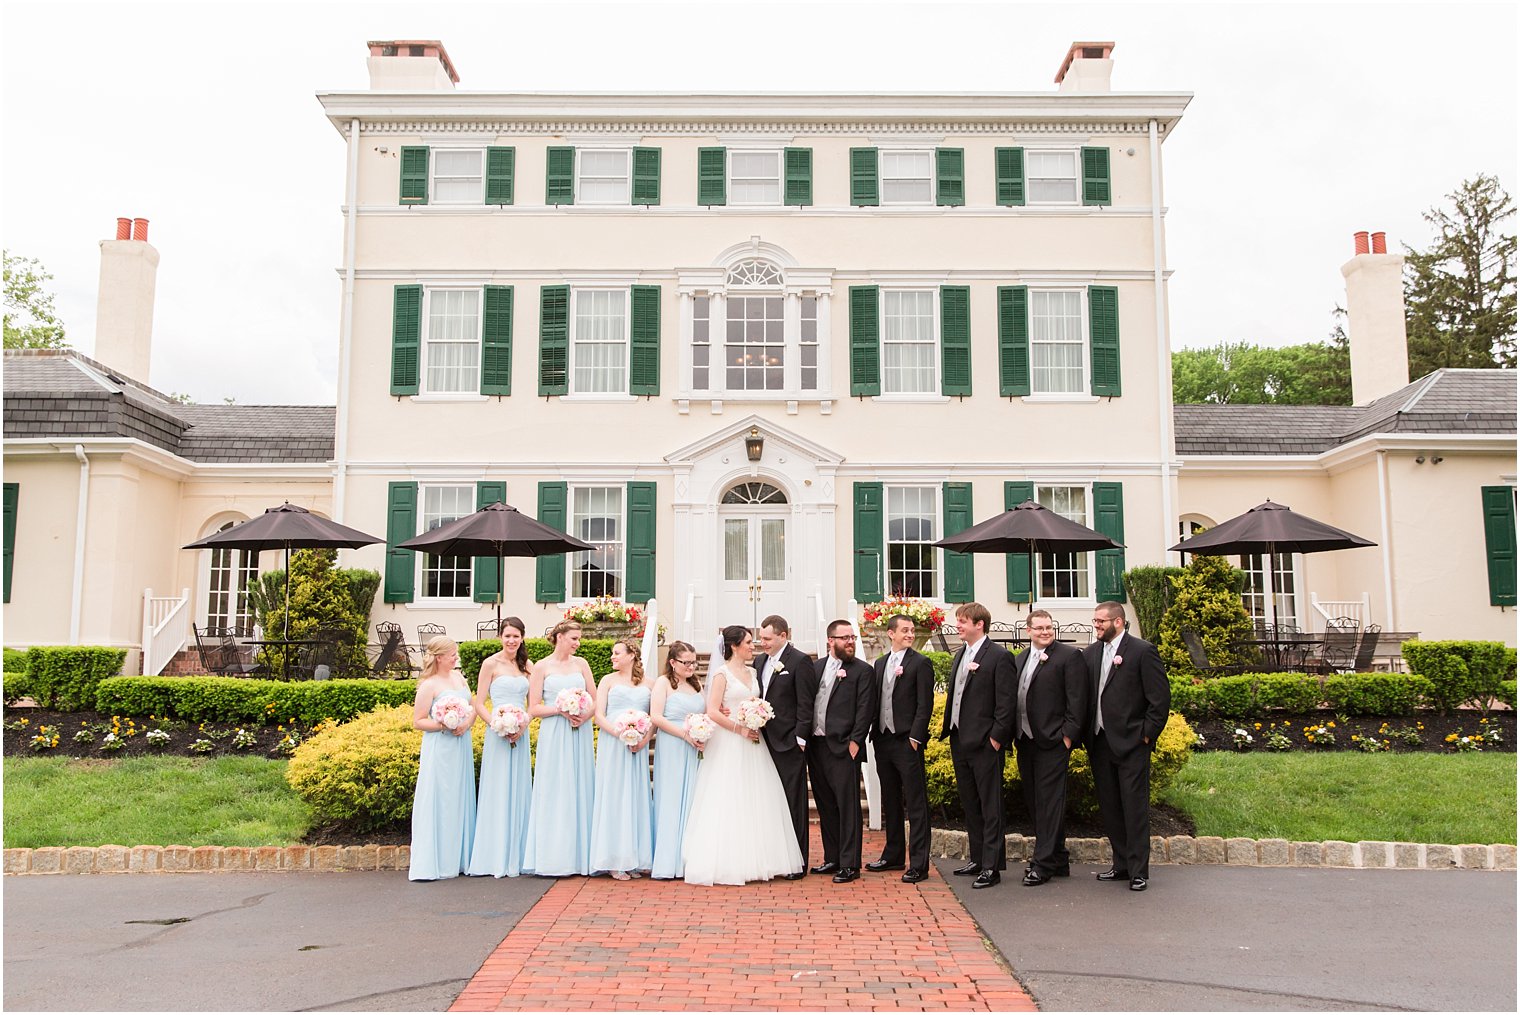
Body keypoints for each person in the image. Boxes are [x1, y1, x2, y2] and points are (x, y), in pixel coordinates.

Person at [681, 625, 804, 885]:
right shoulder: (721, 675)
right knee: (730, 797)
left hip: (754, 743)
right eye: (748, 642)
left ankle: (761, 858)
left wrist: (757, 718)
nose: (754, 646)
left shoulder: (754, 670)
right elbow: (713, 711)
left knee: (757, 798)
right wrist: (740, 728)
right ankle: (729, 861)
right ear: (734, 646)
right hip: (730, 741)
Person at [1083, 601, 1170, 892]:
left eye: (1101, 621)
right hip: (1099, 741)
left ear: (1118, 622)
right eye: (1095, 621)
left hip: (1132, 743)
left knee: (1134, 808)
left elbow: (1159, 700)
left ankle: (1138, 870)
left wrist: (1145, 736)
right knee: (1110, 807)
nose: (1096, 626)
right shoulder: (1091, 653)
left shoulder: (1142, 651)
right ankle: (1120, 864)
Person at [938, 602, 1015, 889]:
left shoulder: (998, 656)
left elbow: (1006, 703)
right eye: (958, 621)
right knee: (971, 803)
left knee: (990, 805)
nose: (958, 625)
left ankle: (992, 867)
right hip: (959, 739)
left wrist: (996, 737)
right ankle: (978, 857)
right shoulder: (960, 655)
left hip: (985, 743)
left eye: (963, 621)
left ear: (979, 624)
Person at [1011, 609, 1088, 887]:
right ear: (1028, 630)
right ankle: (1059, 858)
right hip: (1025, 741)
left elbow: (1077, 701)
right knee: (1035, 801)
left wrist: (1067, 736)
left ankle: (1042, 864)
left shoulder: (1069, 657)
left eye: (1049, 627)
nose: (1045, 632)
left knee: (1050, 803)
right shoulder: (1020, 659)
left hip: (1053, 742)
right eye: (1040, 627)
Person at [798, 619, 875, 884]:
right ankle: (832, 858)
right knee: (826, 805)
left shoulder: (862, 671)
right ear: (830, 641)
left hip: (844, 748)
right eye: (844, 638)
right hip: (816, 746)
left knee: (848, 807)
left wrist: (856, 741)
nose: (850, 642)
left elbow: (866, 709)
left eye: (852, 637)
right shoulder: (815, 667)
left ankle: (850, 864)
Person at [522, 620, 596, 877]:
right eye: (574, 638)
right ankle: (554, 857)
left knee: (581, 785)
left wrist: (584, 716)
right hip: (555, 732)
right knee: (556, 788)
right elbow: (533, 708)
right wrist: (560, 709)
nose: (577, 643)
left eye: (579, 639)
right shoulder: (541, 667)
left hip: (580, 730)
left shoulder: (582, 664)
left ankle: (582, 856)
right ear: (560, 637)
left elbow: (596, 700)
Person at [866, 614, 935, 883]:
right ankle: (893, 855)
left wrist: (916, 737)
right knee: (890, 800)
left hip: (907, 741)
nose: (909, 634)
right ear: (890, 633)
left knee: (916, 804)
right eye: (904, 630)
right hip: (883, 740)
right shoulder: (880, 664)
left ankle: (919, 863)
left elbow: (924, 705)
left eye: (911, 630)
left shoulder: (921, 663)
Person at [466, 617, 534, 878]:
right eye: (507, 636)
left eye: (516, 636)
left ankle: (518, 853)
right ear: (500, 637)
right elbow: (480, 702)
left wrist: (522, 724)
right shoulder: (490, 664)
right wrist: (498, 723)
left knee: (518, 787)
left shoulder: (527, 666)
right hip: (497, 733)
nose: (511, 640)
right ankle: (493, 855)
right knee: (497, 788)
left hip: (521, 732)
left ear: (522, 637)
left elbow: (534, 703)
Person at [408, 636, 477, 882]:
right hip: (440, 748)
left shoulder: (459, 678)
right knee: (441, 797)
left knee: (459, 796)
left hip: (461, 745)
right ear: (439, 658)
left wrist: (466, 722)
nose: (456, 657)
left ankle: (460, 858)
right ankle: (438, 861)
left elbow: (473, 706)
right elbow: (418, 721)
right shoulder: (429, 685)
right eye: (452, 655)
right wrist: (444, 725)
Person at [753, 614, 814, 877]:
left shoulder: (799, 661)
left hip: (789, 743)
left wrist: (800, 739)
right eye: (761, 638)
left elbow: (806, 702)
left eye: (767, 639)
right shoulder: (759, 661)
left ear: (783, 636)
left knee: (793, 802)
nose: (762, 643)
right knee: (768, 801)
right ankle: (773, 858)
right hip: (762, 742)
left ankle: (797, 862)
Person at [588, 639, 655, 879]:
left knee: (635, 796)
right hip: (613, 744)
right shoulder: (608, 680)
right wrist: (620, 733)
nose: (612, 657)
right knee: (614, 794)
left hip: (637, 745)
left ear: (632, 655)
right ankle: (613, 859)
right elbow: (598, 715)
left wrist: (643, 739)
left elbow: (653, 717)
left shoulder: (650, 683)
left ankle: (633, 858)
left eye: (617, 653)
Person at [649, 641, 703, 880]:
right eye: (686, 662)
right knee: (671, 798)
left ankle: (690, 857)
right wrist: (685, 735)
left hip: (695, 747)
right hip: (673, 745)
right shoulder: (663, 683)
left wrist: (703, 731)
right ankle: (668, 860)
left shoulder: (696, 683)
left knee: (693, 798)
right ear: (672, 662)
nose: (691, 666)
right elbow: (656, 717)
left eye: (693, 662)